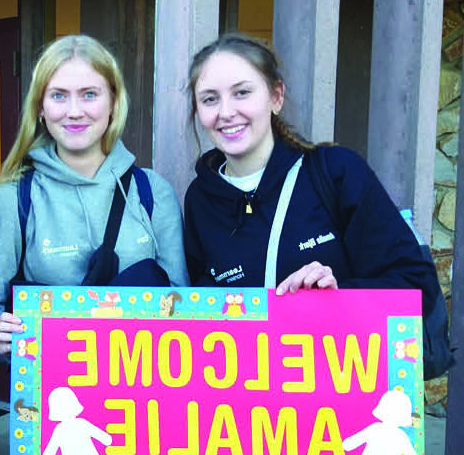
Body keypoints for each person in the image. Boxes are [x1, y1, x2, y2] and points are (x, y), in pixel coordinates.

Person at [178, 34, 442, 335]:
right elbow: (205, 310)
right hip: (250, 381)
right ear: (198, 111)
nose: (225, 112)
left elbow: (417, 288)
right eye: (210, 99)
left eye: (242, 93)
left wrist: (338, 292)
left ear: (276, 97)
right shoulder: (200, 199)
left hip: (344, 377)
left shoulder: (336, 172)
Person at [0, 35, 186, 361]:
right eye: (59, 96)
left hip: (141, 399)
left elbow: (185, 307)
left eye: (89, 95)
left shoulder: (153, 192)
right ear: (41, 108)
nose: (74, 111)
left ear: (113, 104)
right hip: (56, 400)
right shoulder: (13, 200)